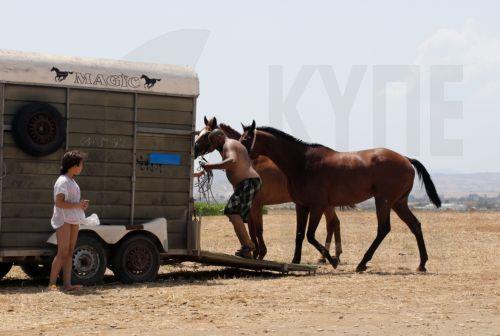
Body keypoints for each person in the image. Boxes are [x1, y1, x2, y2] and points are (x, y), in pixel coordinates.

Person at [200, 129, 262, 258]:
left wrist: (210, 166)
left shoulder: (229, 144)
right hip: (247, 183)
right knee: (234, 214)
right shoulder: (233, 144)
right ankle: (247, 252)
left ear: (221, 136)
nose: (214, 145)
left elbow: (232, 161)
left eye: (214, 141)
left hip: (248, 182)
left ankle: (248, 245)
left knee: (231, 211)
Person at [48, 150, 89, 291]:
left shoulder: (72, 181)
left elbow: (71, 202)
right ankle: (51, 285)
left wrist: (81, 205)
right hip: (63, 219)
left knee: (70, 252)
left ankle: (67, 285)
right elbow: (58, 203)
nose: (82, 167)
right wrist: (77, 205)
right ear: (73, 165)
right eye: (81, 164)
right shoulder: (62, 181)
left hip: (73, 219)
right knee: (62, 252)